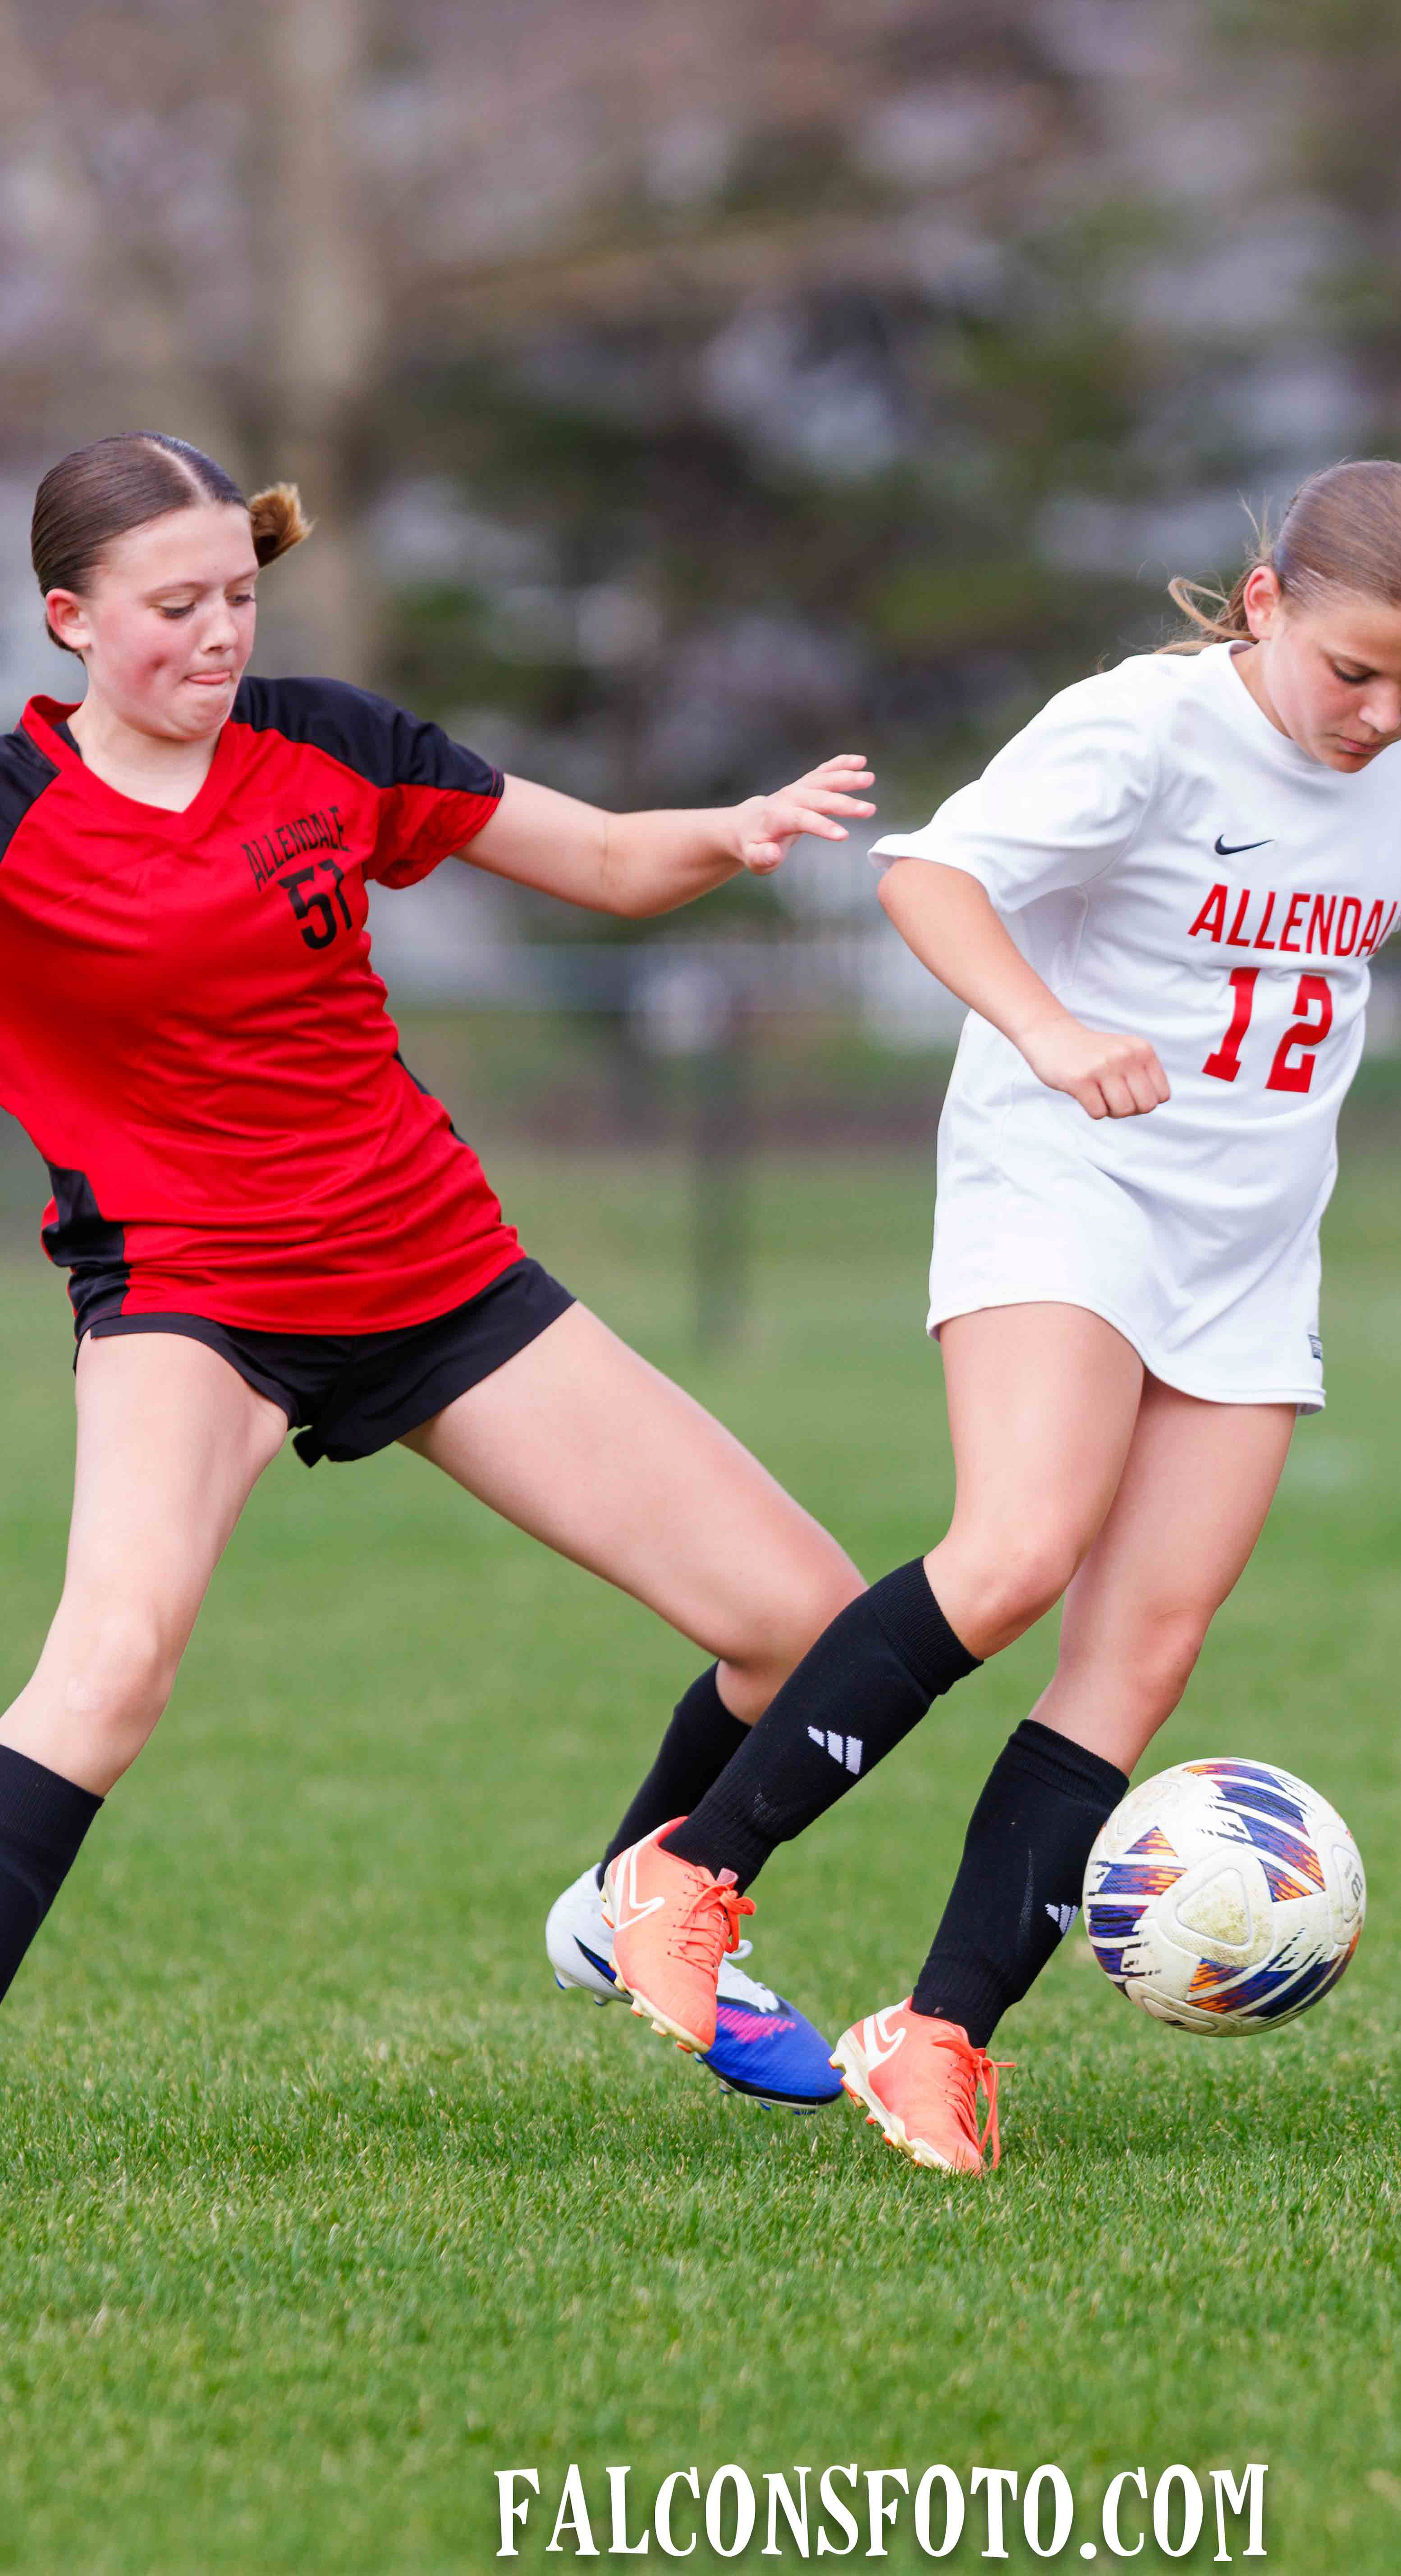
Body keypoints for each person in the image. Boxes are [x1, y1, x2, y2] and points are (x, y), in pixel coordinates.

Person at [598, 458, 1401, 2172]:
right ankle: (686, 1871)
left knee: (1146, 1647)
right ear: (1265, 604)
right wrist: (1049, 1031)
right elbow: (926, 879)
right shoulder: (1140, 729)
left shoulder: (1390, 745)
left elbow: (1373, 852)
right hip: (1072, 1176)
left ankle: (937, 2033)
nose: (1384, 713)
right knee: (1019, 1548)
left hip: (1252, 1236)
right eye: (1355, 671)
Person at [0, 430, 877, 2115]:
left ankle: (638, 1902)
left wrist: (736, 827)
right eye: (175, 606)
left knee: (809, 1625)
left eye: (240, 594)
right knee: (104, 1674)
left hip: (435, 1271)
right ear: (70, 619)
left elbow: (604, 858)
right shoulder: (14, 814)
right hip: (192, 1296)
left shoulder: (328, 742)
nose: (220, 632)